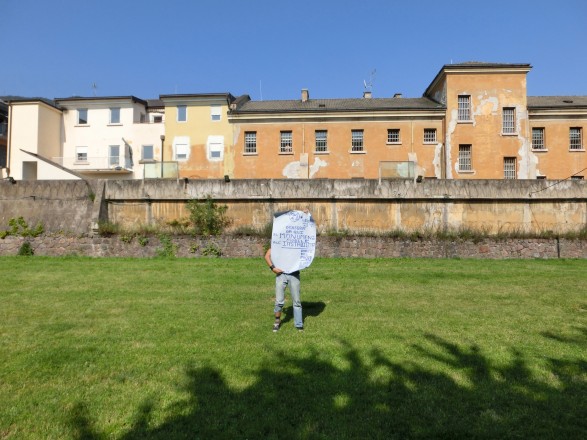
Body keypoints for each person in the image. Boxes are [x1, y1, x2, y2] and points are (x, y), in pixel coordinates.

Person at [265, 247, 303, 332]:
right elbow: (267, 256)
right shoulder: (280, 242)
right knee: (279, 301)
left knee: (297, 301)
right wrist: (273, 268)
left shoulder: (297, 244)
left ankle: (299, 325)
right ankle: (277, 321)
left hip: (294, 274)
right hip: (281, 274)